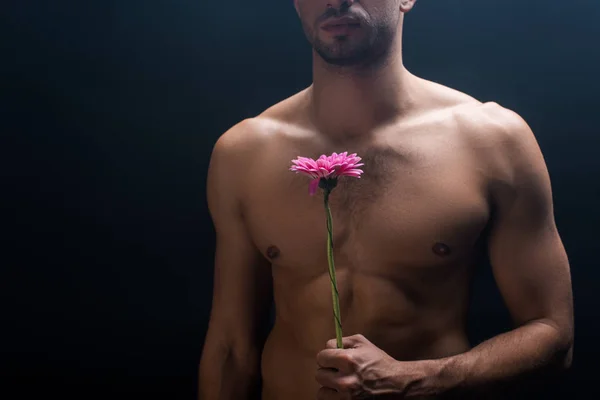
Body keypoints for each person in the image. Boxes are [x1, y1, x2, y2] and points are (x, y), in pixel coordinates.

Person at [198, 1, 574, 399]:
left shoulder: (493, 141)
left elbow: (553, 333)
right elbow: (231, 348)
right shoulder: (243, 153)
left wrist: (417, 378)